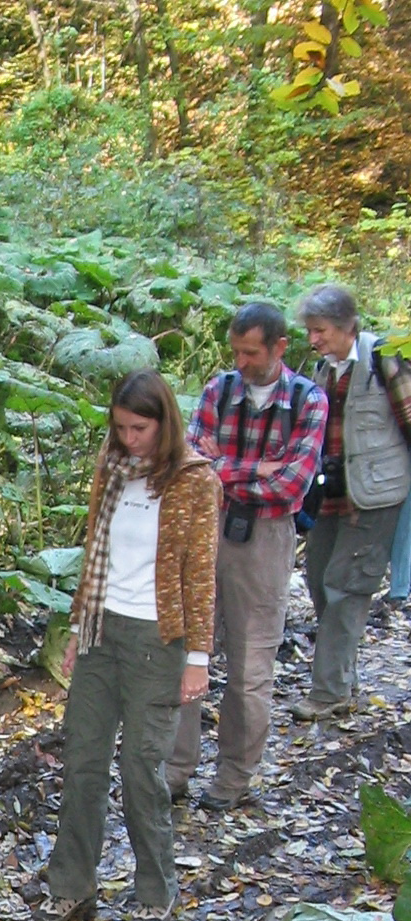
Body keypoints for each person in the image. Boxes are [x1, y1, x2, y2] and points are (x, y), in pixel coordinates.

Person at [34, 370, 221, 921]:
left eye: (139, 428)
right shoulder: (112, 471)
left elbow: (201, 573)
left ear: (164, 424)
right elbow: (95, 552)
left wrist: (199, 656)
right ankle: (72, 885)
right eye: (120, 427)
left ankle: (155, 886)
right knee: (83, 760)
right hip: (103, 630)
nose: (129, 438)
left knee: (141, 765)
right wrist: (75, 631)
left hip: (158, 640)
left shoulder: (194, 481)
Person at [166, 302, 328, 809]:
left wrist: (227, 468)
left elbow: (292, 484)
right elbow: (192, 463)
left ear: (280, 347)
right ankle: (175, 769)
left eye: (251, 352)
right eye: (236, 350)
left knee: (249, 667)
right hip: (204, 527)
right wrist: (257, 468)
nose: (242, 361)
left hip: (264, 540)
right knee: (189, 650)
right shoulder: (219, 389)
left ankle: (234, 778)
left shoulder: (308, 400)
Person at [294, 285, 411, 716]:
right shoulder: (322, 370)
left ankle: (328, 693)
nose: (313, 339)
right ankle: (341, 677)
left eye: (319, 330)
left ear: (345, 326)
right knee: (320, 580)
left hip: (377, 495)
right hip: (331, 494)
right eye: (310, 330)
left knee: (346, 587)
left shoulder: (386, 361)